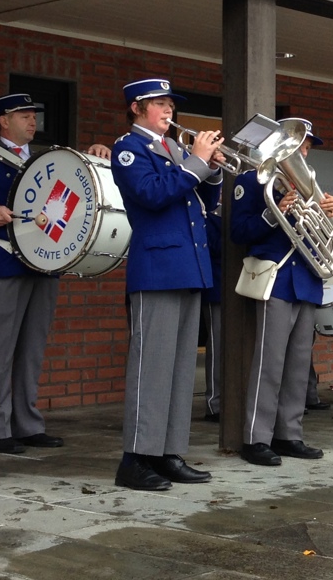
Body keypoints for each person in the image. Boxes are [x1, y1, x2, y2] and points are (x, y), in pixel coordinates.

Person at [0, 93, 110, 454]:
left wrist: (93, 155)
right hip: (1, 263)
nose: (33, 122)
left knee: (32, 349)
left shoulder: (48, 161)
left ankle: (27, 424)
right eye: (25, 116)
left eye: (34, 116)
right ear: (3, 120)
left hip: (44, 264)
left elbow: (77, 186)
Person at [111, 78, 223, 491]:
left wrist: (210, 169)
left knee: (178, 369)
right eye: (159, 103)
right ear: (137, 108)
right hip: (157, 268)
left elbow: (200, 204)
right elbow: (153, 193)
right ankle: (135, 458)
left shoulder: (176, 149)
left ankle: (167, 452)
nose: (168, 110)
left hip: (188, 266)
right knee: (150, 367)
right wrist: (195, 163)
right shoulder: (129, 148)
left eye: (170, 104)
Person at [230, 118, 333, 467]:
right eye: (300, 144)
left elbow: (326, 231)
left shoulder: (310, 185)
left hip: (308, 281)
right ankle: (256, 437)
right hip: (278, 278)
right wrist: (275, 213)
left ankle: (289, 434)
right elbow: (239, 231)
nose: (304, 150)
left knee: (299, 365)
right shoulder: (252, 181)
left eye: (308, 145)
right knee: (270, 362)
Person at [201, 205, 222, 422]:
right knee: (217, 348)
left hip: (239, 289)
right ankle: (213, 403)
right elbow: (214, 246)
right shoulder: (209, 213)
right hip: (216, 289)